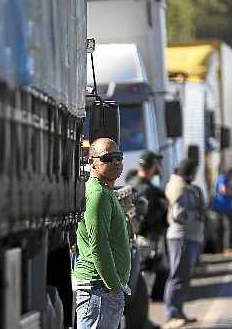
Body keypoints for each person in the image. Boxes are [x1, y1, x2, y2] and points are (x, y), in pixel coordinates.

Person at [73, 138, 131, 329]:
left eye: (118, 157)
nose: (115, 162)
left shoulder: (105, 191)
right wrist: (114, 287)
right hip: (100, 290)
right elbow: (98, 245)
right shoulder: (97, 194)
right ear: (92, 162)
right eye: (107, 158)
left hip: (103, 290)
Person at [163, 159, 204, 329]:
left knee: (183, 277)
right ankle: (172, 313)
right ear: (189, 172)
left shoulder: (184, 187)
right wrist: (196, 213)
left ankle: (178, 311)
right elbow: (179, 214)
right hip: (181, 237)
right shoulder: (179, 188)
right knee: (178, 276)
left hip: (189, 237)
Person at [129, 151, 169, 238]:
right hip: (148, 239)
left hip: (135, 236)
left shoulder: (130, 183)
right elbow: (149, 216)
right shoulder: (149, 190)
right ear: (153, 166)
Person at [212, 168, 232, 248]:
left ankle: (225, 246)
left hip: (226, 207)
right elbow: (223, 190)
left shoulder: (225, 179)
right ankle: (226, 247)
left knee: (226, 228)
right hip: (222, 207)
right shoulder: (222, 178)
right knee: (227, 228)